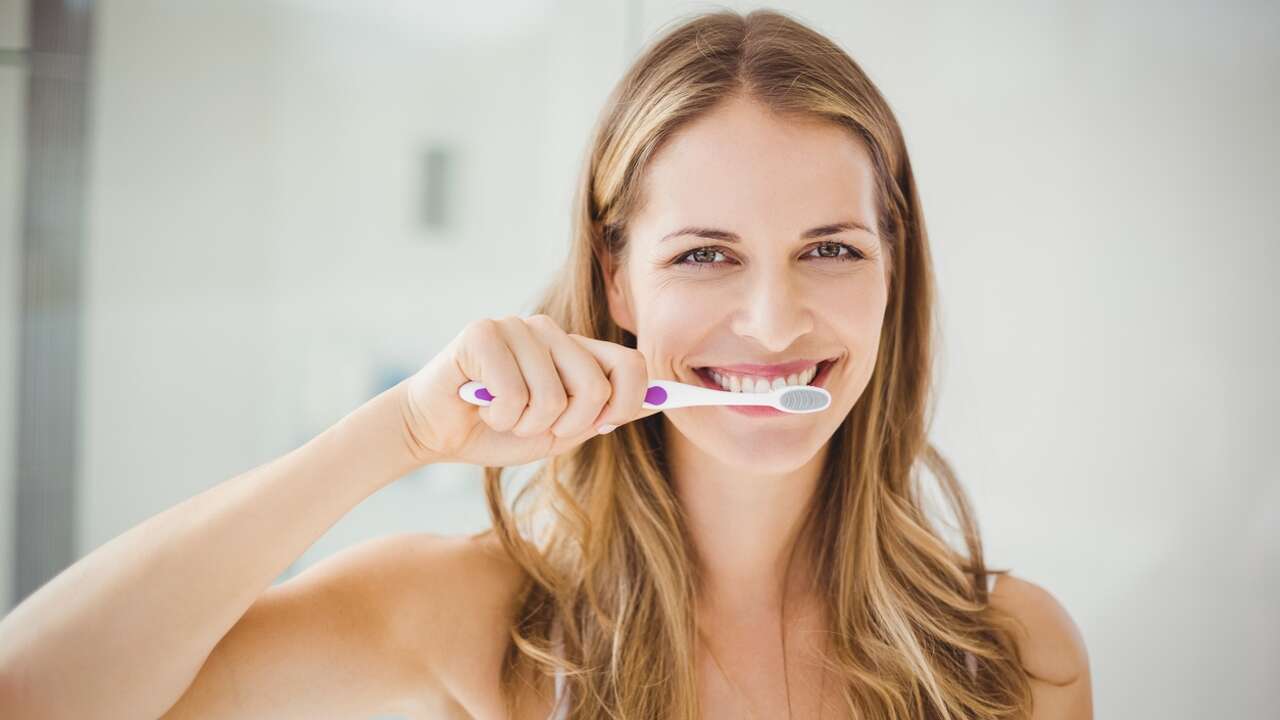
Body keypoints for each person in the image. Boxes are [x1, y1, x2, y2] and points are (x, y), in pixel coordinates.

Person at [0, 8, 1092, 720]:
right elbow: (32, 693)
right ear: (617, 282)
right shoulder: (473, 616)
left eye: (830, 250)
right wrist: (396, 435)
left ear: (892, 273)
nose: (771, 321)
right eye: (705, 255)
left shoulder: (1011, 654)